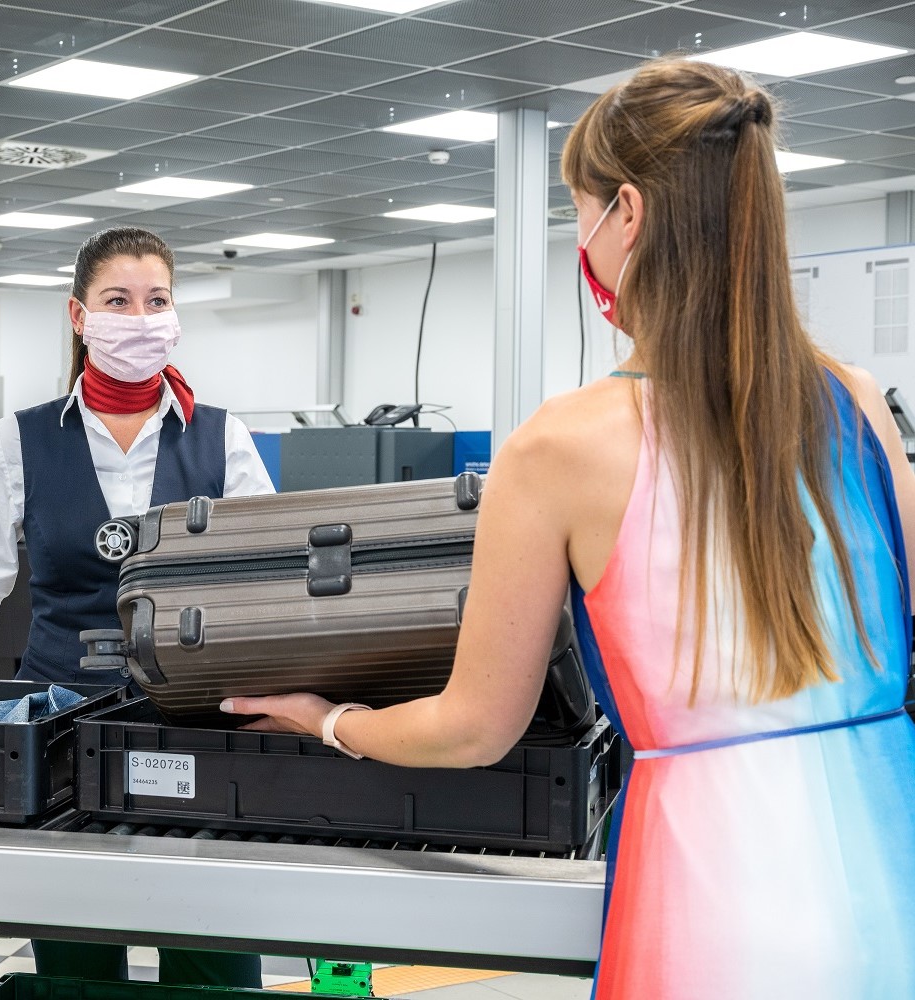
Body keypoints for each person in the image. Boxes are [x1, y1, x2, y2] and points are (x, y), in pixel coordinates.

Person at [218, 58, 915, 998]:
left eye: (579, 212)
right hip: (890, 862)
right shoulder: (859, 405)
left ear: (627, 212)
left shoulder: (563, 445)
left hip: (711, 897)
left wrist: (334, 719)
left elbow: (473, 729)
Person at [0, 226, 273, 987]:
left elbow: (271, 576)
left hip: (196, 725)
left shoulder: (222, 438)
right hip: (61, 733)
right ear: (80, 316)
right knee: (76, 962)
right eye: (119, 300)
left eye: (157, 301)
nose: (141, 319)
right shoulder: (22, 440)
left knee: (213, 956)